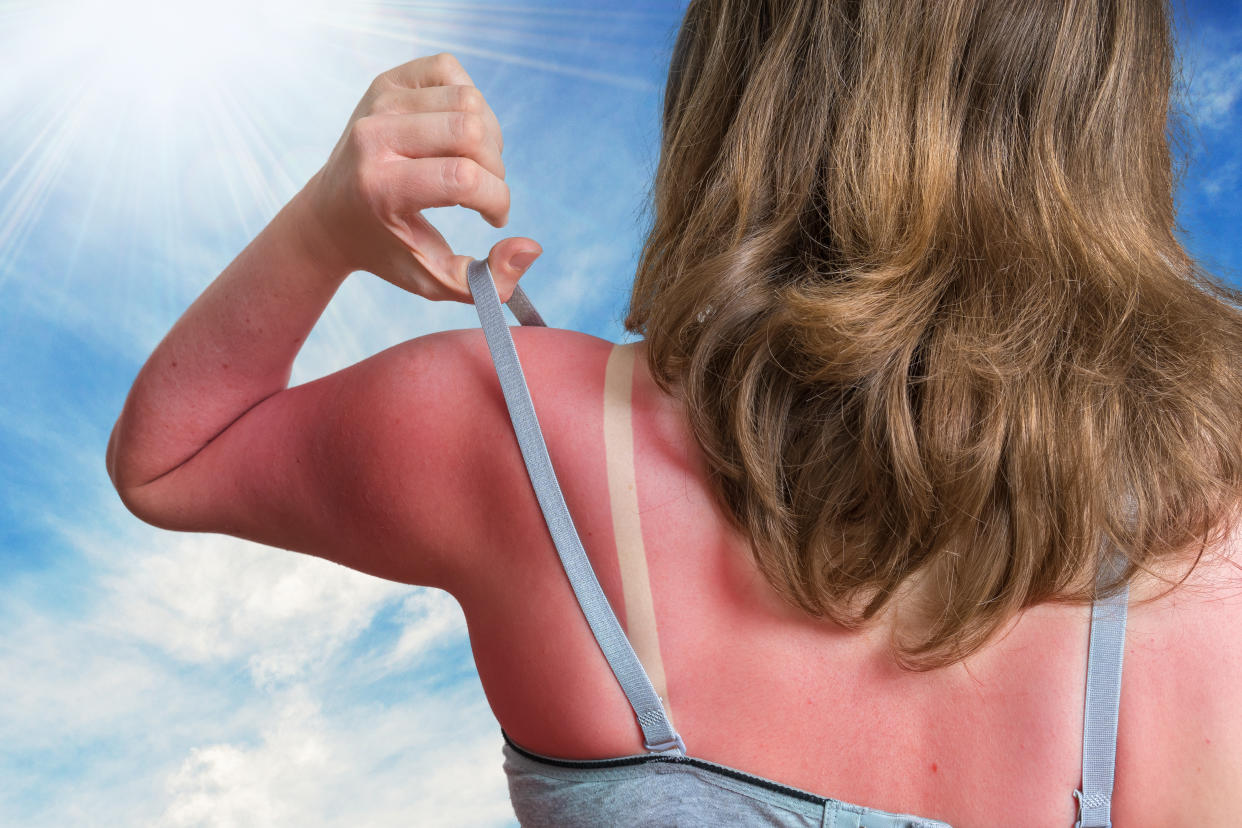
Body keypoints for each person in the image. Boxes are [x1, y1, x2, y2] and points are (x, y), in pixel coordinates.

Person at [106, 1, 1242, 825]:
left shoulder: (517, 435)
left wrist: (328, 226)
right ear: (1105, 106)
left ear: (738, 75)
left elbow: (172, 458)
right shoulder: (1217, 544)